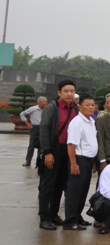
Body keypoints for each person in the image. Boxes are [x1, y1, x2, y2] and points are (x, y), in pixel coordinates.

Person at [38, 79, 78, 230]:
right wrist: (47, 152)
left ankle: (54, 215)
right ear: (59, 93)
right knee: (47, 185)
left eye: (72, 91)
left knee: (60, 185)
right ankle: (44, 218)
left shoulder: (76, 109)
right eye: (66, 91)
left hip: (68, 151)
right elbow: (43, 130)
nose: (69, 94)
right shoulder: (52, 108)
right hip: (54, 150)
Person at [63, 95, 98, 230]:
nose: (90, 107)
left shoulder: (91, 121)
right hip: (79, 160)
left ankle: (77, 216)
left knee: (83, 191)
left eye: (92, 105)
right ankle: (70, 221)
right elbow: (71, 144)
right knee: (74, 192)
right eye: (87, 105)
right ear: (80, 107)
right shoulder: (77, 122)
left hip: (88, 160)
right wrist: (73, 163)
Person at [20, 96, 47, 167]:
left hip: (43, 128)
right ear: (40, 102)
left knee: (41, 145)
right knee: (32, 145)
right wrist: (27, 123)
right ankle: (28, 161)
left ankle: (39, 162)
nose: (46, 103)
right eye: (45, 102)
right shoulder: (33, 109)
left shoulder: (46, 110)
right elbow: (22, 114)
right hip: (34, 127)